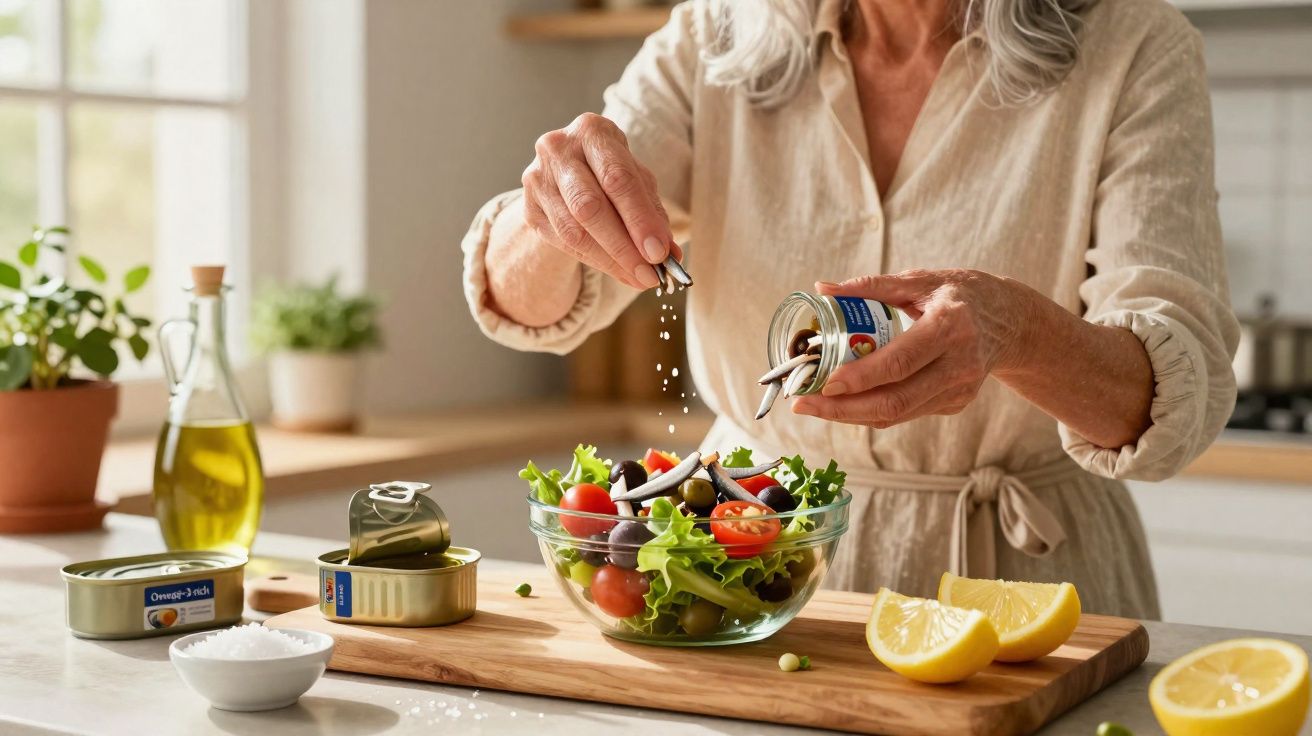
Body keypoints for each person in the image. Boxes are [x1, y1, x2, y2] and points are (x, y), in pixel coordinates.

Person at [461, 0, 1239, 617]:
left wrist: (1018, 333)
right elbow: (530, 303)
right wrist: (548, 213)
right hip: (752, 564)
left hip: (1027, 594)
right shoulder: (713, 34)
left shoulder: (1136, 44)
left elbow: (1173, 396)